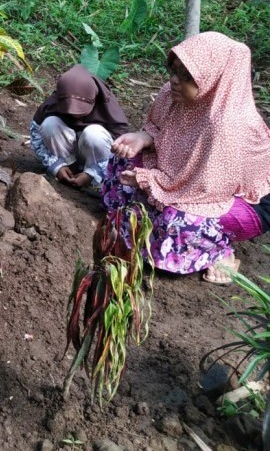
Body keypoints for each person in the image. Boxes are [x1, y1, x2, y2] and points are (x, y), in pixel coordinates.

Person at [105, 31, 270, 284]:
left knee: (178, 222)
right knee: (122, 161)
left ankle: (221, 251)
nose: (174, 80)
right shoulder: (172, 96)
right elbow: (164, 134)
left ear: (213, 79)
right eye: (173, 71)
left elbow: (202, 191)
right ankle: (146, 219)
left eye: (186, 76)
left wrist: (150, 181)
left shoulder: (227, 124)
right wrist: (143, 137)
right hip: (182, 179)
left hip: (235, 199)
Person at [30, 64, 129, 190]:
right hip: (67, 155)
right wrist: (56, 166)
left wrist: (94, 173)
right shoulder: (51, 105)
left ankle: (94, 180)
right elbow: (35, 135)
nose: (74, 114)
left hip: (96, 162)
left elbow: (122, 153)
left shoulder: (108, 110)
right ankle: (68, 169)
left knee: (93, 134)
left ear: (94, 98)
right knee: (50, 124)